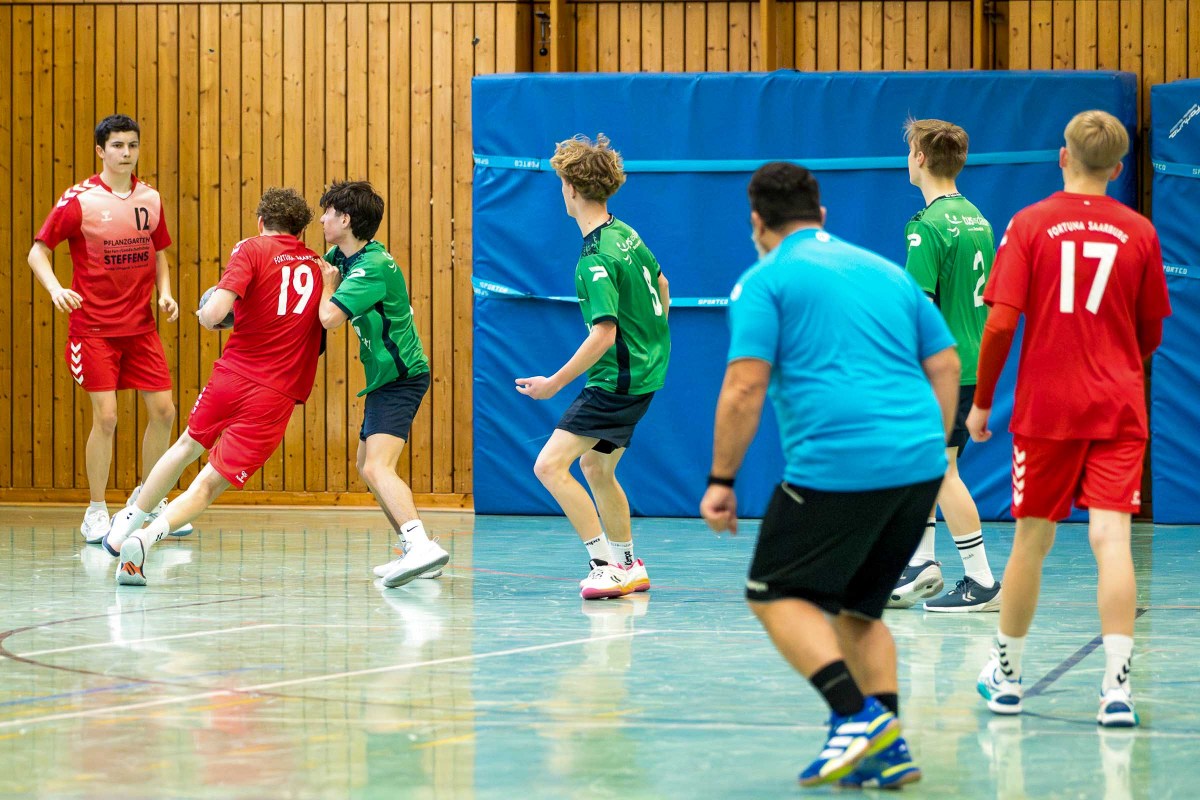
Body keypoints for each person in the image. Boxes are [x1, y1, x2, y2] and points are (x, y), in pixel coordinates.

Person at [700, 163, 960, 788]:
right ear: (821, 215)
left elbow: (744, 387)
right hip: (922, 465)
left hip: (841, 464)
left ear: (757, 222)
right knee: (859, 614)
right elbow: (947, 364)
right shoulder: (886, 272)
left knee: (773, 593)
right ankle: (888, 750)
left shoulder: (765, 280)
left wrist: (722, 479)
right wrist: (930, 445)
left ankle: (854, 714)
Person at [970, 110, 1170, 727]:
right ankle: (1116, 691)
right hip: (1118, 405)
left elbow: (1000, 323)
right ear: (1118, 168)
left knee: (1032, 540)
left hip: (1047, 407)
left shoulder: (1030, 223)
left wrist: (982, 402)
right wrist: (1117, 363)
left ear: (1063, 157)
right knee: (1112, 540)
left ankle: (1007, 677)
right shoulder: (1140, 232)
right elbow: (1151, 332)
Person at [103, 188, 327, 585]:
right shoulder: (319, 266)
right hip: (277, 392)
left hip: (234, 375)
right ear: (300, 230)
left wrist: (208, 314)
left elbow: (215, 313)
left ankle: (126, 525)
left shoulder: (251, 249)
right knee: (209, 483)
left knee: (185, 446)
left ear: (261, 222)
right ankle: (146, 538)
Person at [515, 134, 671, 600]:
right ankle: (628, 565)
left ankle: (604, 566)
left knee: (549, 466)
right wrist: (651, 342)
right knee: (596, 467)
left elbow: (603, 334)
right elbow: (662, 285)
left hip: (617, 380)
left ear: (571, 189)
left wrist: (552, 384)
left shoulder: (594, 257)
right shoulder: (625, 233)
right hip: (646, 373)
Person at [27, 113, 187, 541]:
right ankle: (96, 509)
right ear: (101, 150)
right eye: (117, 145)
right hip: (93, 329)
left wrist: (165, 293)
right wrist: (56, 288)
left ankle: (147, 501)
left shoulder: (150, 198)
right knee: (108, 417)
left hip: (141, 328)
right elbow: (37, 252)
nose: (126, 153)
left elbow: (159, 252)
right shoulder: (79, 200)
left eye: (132, 145)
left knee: (165, 412)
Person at [890, 118, 1002, 612]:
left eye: (910, 150)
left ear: (919, 158)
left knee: (941, 469)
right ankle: (922, 564)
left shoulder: (927, 227)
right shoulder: (978, 219)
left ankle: (981, 580)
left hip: (943, 367)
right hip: (973, 359)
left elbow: (920, 309)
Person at [316, 180, 449, 588]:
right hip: (384, 379)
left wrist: (328, 288)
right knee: (366, 465)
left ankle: (420, 545)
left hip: (401, 378)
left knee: (377, 466)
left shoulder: (371, 267)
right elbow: (315, 266)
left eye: (328, 213)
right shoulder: (345, 256)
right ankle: (416, 549)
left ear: (346, 219)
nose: (321, 219)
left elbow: (329, 318)